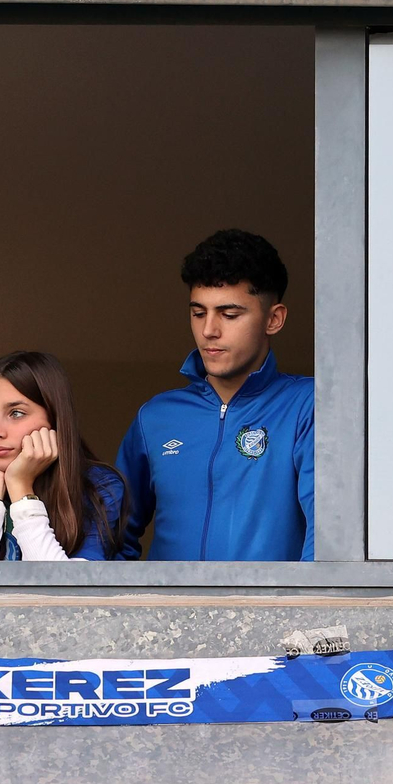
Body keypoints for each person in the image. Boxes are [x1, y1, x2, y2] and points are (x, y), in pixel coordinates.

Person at [116, 229, 314, 561]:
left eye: (229, 315)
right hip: (167, 599)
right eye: (198, 313)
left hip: (274, 598)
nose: (209, 330)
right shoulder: (155, 417)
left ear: (274, 319)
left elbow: (327, 536)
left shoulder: (307, 406)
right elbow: (112, 539)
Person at [0, 351, 128, 560]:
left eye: (16, 413)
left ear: (53, 420)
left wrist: (21, 488)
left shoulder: (100, 486)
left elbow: (69, 581)